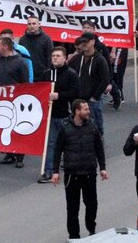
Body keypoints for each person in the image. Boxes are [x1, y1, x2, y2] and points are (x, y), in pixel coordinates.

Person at [52, 99, 108, 239]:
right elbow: (58, 150)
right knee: (72, 208)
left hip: (89, 173)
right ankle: (74, 236)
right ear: (77, 111)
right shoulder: (65, 128)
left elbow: (99, 148)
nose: (88, 111)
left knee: (92, 204)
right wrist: (55, 171)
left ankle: (91, 228)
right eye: (85, 109)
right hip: (72, 175)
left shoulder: (92, 126)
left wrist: (103, 167)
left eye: (88, 109)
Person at [0, 37, 29, 168]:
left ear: (5, 47)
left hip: (16, 99)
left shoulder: (20, 62)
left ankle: (20, 155)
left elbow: (25, 82)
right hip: (1, 99)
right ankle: (9, 153)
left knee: (18, 128)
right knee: (5, 126)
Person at [38, 46, 80, 183]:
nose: (55, 58)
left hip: (65, 114)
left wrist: (59, 96)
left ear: (64, 58)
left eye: (58, 56)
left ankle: (72, 167)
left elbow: (75, 93)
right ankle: (49, 171)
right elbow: (40, 91)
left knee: (68, 143)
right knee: (51, 143)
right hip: (51, 115)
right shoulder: (47, 74)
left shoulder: (71, 74)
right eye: (53, 56)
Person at [68, 33, 110, 136]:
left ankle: (98, 142)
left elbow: (105, 79)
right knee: (77, 123)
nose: (84, 44)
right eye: (82, 42)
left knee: (95, 124)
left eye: (86, 42)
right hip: (77, 99)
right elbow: (68, 74)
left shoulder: (100, 60)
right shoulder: (76, 59)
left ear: (93, 42)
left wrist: (95, 96)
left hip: (92, 99)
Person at [18, 16, 53, 82]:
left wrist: (47, 74)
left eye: (34, 23)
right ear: (27, 25)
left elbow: (49, 58)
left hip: (42, 77)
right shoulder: (22, 40)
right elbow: (19, 58)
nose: (32, 26)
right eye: (29, 24)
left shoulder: (46, 39)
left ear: (39, 24)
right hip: (26, 76)